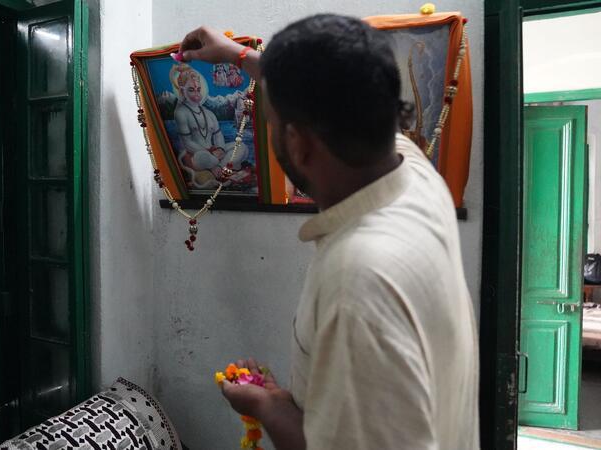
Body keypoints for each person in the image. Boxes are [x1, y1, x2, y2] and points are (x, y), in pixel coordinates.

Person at [179, 14, 479, 450]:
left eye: (270, 118)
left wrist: (266, 406)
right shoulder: (413, 171)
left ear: (298, 143)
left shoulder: (356, 281)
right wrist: (239, 56)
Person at [170, 64, 247, 181]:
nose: (196, 93)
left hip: (215, 153)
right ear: (182, 91)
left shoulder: (208, 113)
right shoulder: (181, 112)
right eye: (191, 90)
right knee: (203, 157)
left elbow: (218, 135)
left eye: (198, 89)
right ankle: (222, 166)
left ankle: (220, 168)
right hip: (198, 155)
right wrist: (209, 151)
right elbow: (187, 143)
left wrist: (220, 149)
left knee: (242, 147)